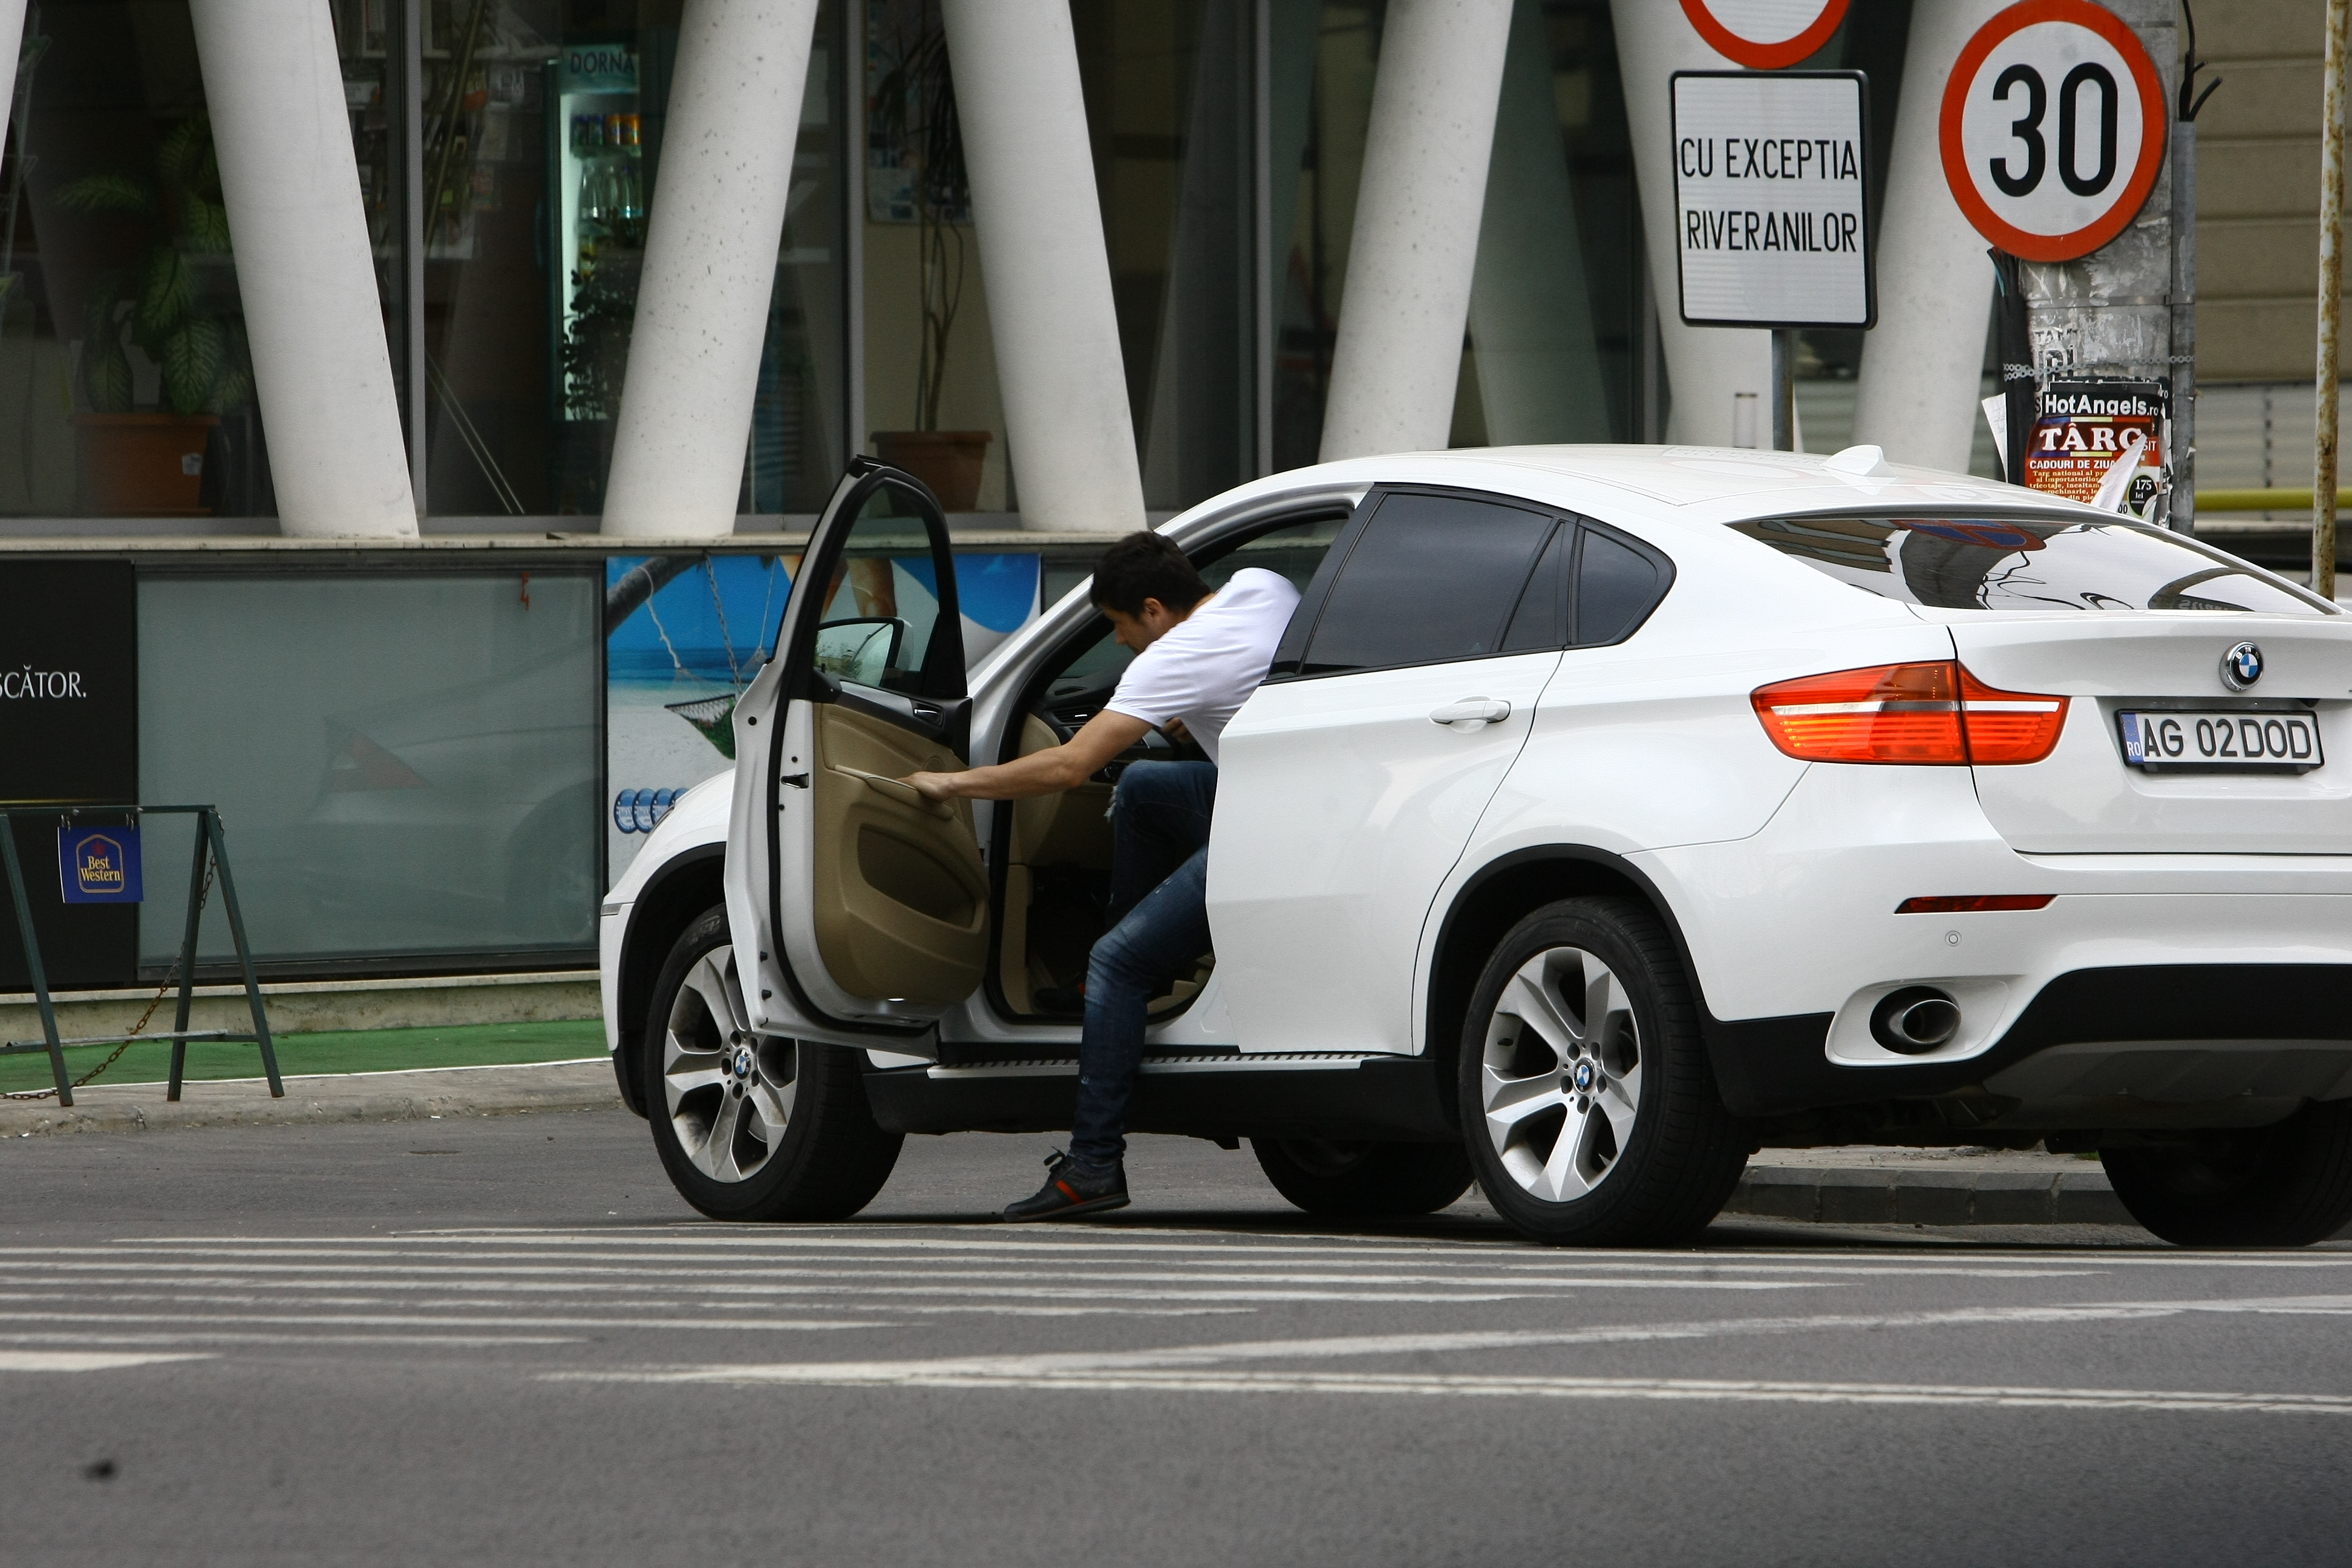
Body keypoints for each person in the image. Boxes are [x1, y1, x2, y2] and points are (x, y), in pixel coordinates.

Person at [902, 531, 1300, 1220]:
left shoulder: (1171, 658)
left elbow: (1068, 767)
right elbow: (1258, 677)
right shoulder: (1263, 586)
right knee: (1143, 785)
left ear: (1153, 610)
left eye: (1119, 625)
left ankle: (1092, 1165)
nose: (1119, 642)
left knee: (1116, 960)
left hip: (1272, 831)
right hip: (1304, 797)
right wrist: (1205, 714)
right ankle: (1114, 989)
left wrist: (952, 783)